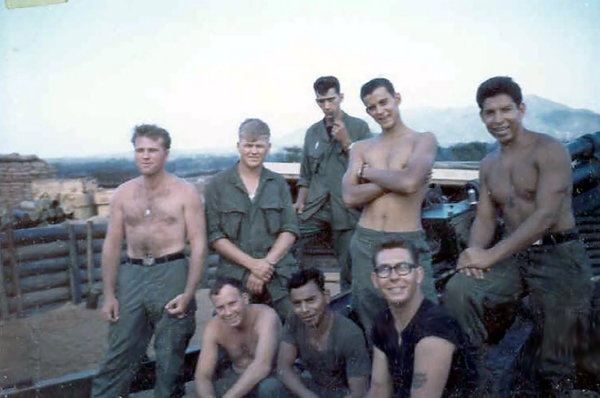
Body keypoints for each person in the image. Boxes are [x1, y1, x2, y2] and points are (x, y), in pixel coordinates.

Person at [444, 76, 593, 397]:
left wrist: (489, 256)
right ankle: (476, 371)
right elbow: (485, 217)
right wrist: (472, 253)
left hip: (559, 259)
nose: (499, 120)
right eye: (490, 113)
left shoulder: (549, 150)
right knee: (460, 290)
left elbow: (545, 217)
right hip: (514, 256)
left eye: (505, 110)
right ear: (481, 116)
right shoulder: (488, 164)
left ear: (521, 109)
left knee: (558, 363)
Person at [91, 124, 206, 398]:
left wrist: (189, 293)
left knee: (170, 356)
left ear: (166, 153)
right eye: (140, 150)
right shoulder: (122, 193)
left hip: (172, 270)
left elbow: (200, 246)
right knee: (119, 351)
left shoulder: (185, 193)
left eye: (152, 150)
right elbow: (111, 245)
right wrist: (109, 294)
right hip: (132, 274)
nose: (145, 156)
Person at [342, 77, 438, 341]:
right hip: (365, 241)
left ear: (397, 98)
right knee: (373, 319)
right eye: (372, 107)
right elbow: (350, 196)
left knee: (425, 319)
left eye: (384, 102)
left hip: (407, 239)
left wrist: (368, 172)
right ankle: (384, 379)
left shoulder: (423, 140)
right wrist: (395, 178)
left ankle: (422, 379)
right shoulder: (361, 147)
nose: (380, 111)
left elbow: (409, 184)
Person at [204, 118, 299, 321]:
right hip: (234, 277)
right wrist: (252, 266)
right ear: (239, 146)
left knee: (294, 326)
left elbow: (290, 230)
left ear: (268, 147)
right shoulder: (218, 185)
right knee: (227, 334)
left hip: (277, 275)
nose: (253, 151)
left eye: (259, 146)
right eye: (248, 145)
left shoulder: (278, 183)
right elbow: (215, 236)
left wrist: (265, 265)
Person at [368, 238, 477, 398]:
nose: (393, 277)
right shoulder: (383, 321)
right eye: (384, 269)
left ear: (419, 275)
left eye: (403, 267)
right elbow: (379, 390)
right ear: (375, 280)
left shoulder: (435, 329)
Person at [295, 76, 372, 292]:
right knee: (287, 234)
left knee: (350, 267)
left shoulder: (359, 127)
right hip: (315, 208)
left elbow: (370, 170)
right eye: (321, 101)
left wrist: (347, 142)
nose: (327, 106)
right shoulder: (313, 133)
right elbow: (305, 174)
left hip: (347, 208)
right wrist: (300, 203)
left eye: (331, 99)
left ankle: (349, 309)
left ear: (341, 97)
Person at [277, 267, 370, 398]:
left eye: (311, 300)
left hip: (341, 393)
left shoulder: (350, 334)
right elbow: (283, 367)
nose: (304, 309)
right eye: (297, 303)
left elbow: (358, 393)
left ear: (326, 297)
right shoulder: (295, 319)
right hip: (312, 386)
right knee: (272, 387)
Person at [195, 278, 285, 398]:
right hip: (236, 377)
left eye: (232, 304)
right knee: (213, 389)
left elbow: (262, 366)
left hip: (269, 377)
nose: (228, 312)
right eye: (220, 308)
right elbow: (202, 376)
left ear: (245, 299)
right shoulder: (213, 327)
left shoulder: (266, 316)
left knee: (270, 388)